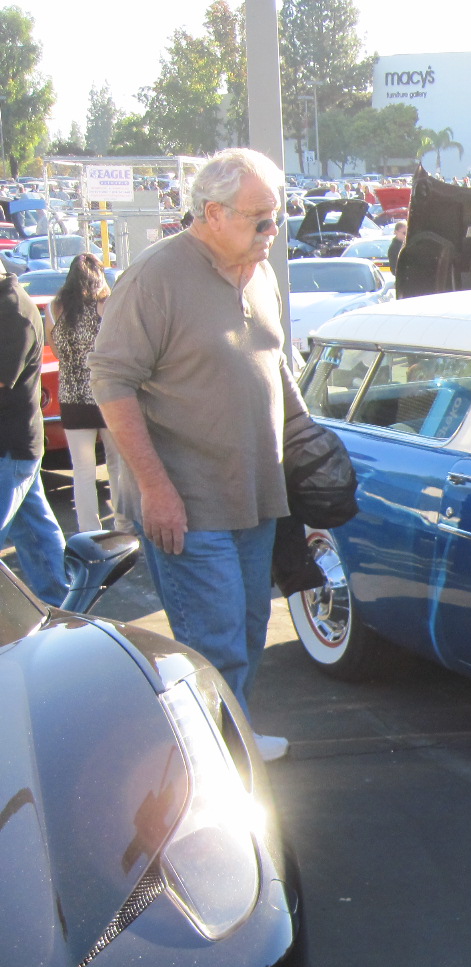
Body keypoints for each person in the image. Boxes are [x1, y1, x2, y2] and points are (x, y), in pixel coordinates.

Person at [88, 147, 305, 760]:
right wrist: (155, 489)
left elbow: (274, 368)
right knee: (215, 642)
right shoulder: (157, 276)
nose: (272, 230)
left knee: (251, 631)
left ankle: (230, 737)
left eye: (278, 216)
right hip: (187, 500)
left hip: (256, 496)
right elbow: (110, 381)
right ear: (211, 212)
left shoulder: (260, 273)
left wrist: (307, 442)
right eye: (259, 218)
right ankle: (212, 762)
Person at [0, 257, 68, 604]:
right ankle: (65, 604)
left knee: (35, 533)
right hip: (15, 446)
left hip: (10, 446)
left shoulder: (12, 310)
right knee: (37, 534)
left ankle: (63, 602)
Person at [48, 253, 124, 534]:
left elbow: (56, 352)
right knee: (117, 466)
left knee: (82, 470)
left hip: (72, 396)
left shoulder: (56, 308)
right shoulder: (108, 305)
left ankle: (89, 532)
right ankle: (121, 527)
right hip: (107, 395)